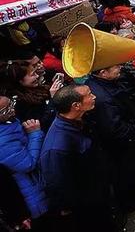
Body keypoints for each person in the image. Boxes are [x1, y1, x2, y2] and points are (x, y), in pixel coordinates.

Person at [39, 84, 115, 231]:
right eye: (89, 94)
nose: (94, 97)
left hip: (99, 189)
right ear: (76, 105)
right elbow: (59, 186)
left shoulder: (80, 120)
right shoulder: (57, 147)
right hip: (87, 203)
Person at [85, 64, 135, 213]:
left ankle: (133, 189)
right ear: (103, 72)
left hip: (123, 140)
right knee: (126, 173)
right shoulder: (103, 99)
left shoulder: (103, 84)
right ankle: (132, 201)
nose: (120, 68)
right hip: (121, 145)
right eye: (115, 67)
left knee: (131, 170)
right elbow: (115, 128)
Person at [0, 96, 49, 227]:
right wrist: (34, 134)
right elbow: (28, 164)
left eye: (11, 104)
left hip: (38, 184)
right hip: (33, 195)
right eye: (6, 109)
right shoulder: (2, 142)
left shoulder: (9, 122)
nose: (12, 110)